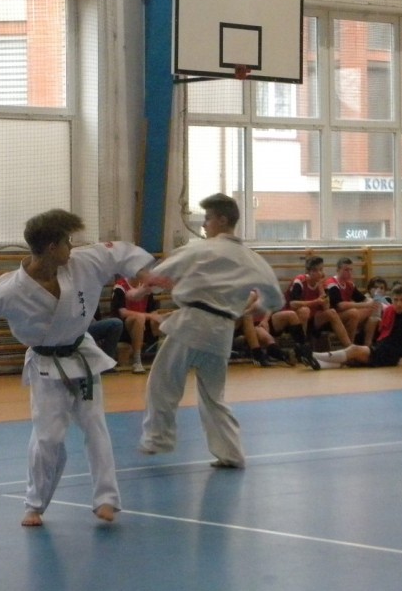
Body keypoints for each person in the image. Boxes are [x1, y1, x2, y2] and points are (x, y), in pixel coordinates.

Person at [0, 209, 155, 526]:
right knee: (48, 438)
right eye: (67, 242)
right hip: (46, 364)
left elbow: (119, 253)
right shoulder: (10, 288)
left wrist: (145, 272)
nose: (72, 247)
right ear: (52, 247)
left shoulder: (81, 262)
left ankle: (106, 499)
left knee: (95, 426)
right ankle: (35, 504)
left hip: (82, 355)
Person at [138, 193, 285, 468]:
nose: (204, 225)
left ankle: (159, 439)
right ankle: (231, 453)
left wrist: (143, 288)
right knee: (213, 396)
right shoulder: (253, 259)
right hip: (222, 331)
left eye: (207, 219)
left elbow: (160, 273)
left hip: (192, 323)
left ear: (222, 220)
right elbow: (275, 299)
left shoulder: (200, 249)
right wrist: (257, 307)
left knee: (163, 382)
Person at [295, 283, 402, 369]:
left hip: (389, 356)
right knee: (351, 361)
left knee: (353, 350)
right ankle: (315, 362)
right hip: (381, 348)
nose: (398, 304)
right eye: (395, 300)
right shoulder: (392, 311)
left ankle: (312, 354)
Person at [286, 256, 352, 350]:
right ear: (309, 272)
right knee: (305, 311)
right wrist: (315, 302)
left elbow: (326, 307)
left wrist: (320, 286)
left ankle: (349, 347)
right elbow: (292, 304)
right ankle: (302, 347)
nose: (321, 273)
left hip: (314, 319)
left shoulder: (321, 283)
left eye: (321, 269)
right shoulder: (300, 280)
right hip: (296, 318)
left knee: (332, 312)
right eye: (317, 270)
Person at [110, 274, 164, 373]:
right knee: (139, 318)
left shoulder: (146, 286)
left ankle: (161, 356)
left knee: (161, 320)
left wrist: (158, 318)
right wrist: (148, 316)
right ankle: (137, 361)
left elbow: (153, 311)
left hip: (144, 325)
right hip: (124, 328)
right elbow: (122, 312)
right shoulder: (120, 287)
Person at [324, 257, 376, 344]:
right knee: (353, 313)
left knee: (372, 310)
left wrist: (371, 301)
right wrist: (365, 304)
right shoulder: (332, 284)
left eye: (351, 270)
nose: (349, 273)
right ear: (338, 270)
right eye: (346, 270)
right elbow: (340, 306)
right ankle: (349, 345)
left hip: (345, 315)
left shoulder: (350, 284)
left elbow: (363, 299)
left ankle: (366, 342)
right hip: (332, 317)